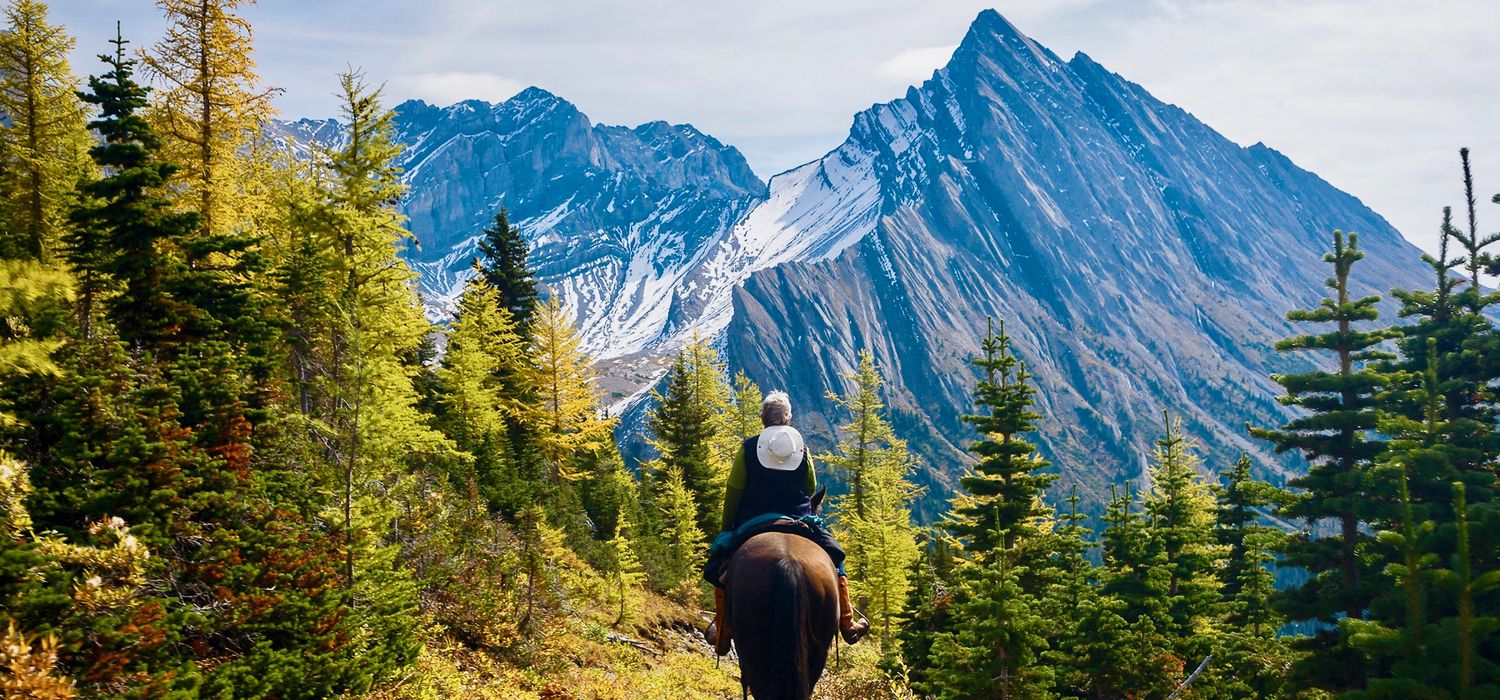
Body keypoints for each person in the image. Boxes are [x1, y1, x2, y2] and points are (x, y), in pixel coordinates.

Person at [703, 391, 868, 653]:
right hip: (798, 518)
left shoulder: (747, 449)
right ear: (788, 419)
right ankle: (847, 621)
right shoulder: (802, 449)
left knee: (720, 561)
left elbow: (733, 492)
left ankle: (723, 631)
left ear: (762, 419)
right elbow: (810, 485)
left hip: (751, 520)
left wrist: (727, 529)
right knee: (835, 556)